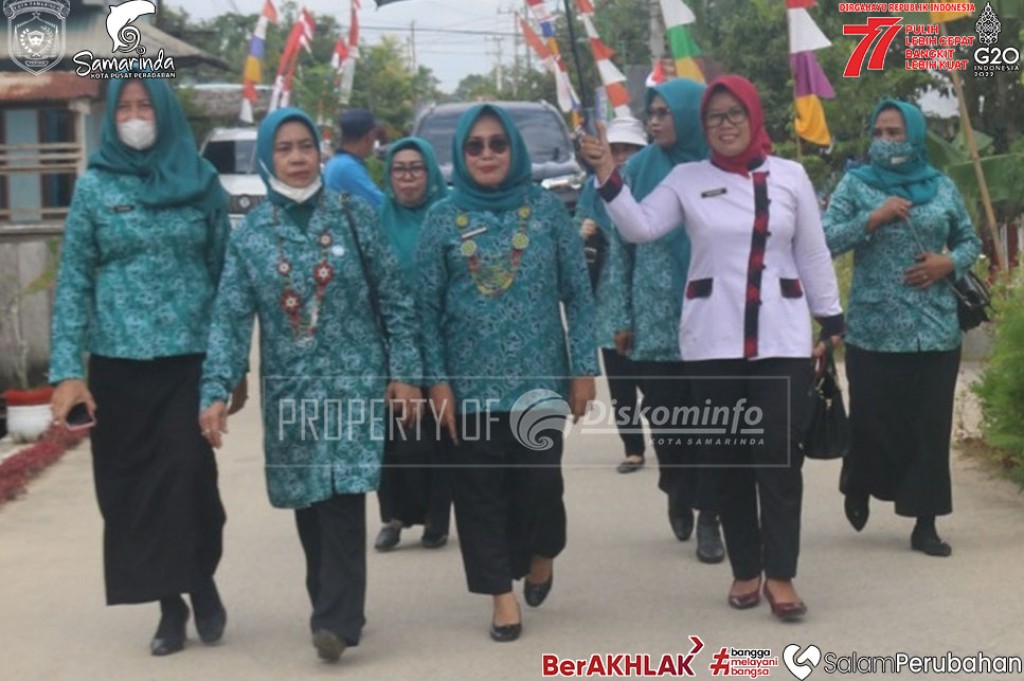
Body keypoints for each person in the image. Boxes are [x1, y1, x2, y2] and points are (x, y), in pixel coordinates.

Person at [582, 74, 844, 620]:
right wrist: (608, 173)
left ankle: (781, 575)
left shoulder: (790, 176)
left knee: (778, 463)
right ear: (703, 126)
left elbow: (814, 254)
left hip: (781, 337)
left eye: (734, 115)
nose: (725, 126)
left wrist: (831, 320)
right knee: (725, 462)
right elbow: (639, 227)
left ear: (753, 116)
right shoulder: (686, 178)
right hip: (711, 341)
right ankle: (745, 568)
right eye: (714, 117)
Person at [198, 108, 422, 662]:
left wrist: (406, 374)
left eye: (305, 146)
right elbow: (229, 318)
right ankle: (335, 603)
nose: (298, 158)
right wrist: (216, 388)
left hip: (353, 383)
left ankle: (334, 619)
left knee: (344, 495)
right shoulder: (250, 234)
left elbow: (393, 297)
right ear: (268, 158)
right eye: (285, 149)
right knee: (309, 502)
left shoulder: (351, 215)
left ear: (320, 152)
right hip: (292, 393)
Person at [48, 77, 238, 656]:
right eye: (124, 107)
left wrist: (229, 370)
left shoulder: (202, 184)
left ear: (165, 115)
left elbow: (225, 279)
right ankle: (170, 605)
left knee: (190, 479)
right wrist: (66, 370)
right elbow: (75, 279)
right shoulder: (95, 188)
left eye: (144, 107)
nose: (134, 116)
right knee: (134, 493)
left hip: (188, 359)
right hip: (118, 365)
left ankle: (200, 576)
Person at [417, 104, 597, 642]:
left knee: (540, 486)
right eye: (476, 146)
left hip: (540, 381)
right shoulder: (442, 219)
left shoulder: (544, 212)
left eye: (497, 144)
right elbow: (424, 308)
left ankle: (542, 553)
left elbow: (579, 297)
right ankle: (500, 596)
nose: (488, 154)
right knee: (478, 495)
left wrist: (583, 368)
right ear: (460, 155)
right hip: (468, 387)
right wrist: (437, 381)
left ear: (513, 149)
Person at [823, 99, 980, 557]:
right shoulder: (855, 184)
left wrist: (947, 261)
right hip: (873, 330)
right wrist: (873, 218)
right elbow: (825, 239)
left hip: (935, 331)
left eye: (896, 132)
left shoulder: (943, 187)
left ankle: (924, 522)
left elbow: (968, 239)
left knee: (928, 428)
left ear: (914, 135)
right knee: (874, 423)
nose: (887, 141)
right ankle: (858, 484)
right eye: (880, 132)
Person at [604, 81, 726, 563]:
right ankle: (676, 485)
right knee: (670, 425)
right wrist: (620, 314)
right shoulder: (636, 170)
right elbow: (619, 247)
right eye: (649, 113)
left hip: (711, 318)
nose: (653, 122)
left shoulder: (719, 168)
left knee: (714, 427)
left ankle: (711, 518)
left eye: (662, 113)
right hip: (654, 321)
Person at [373, 137, 452, 552]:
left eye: (415, 169)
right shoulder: (376, 220)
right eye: (399, 169)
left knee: (437, 434)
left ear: (430, 174)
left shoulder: (446, 216)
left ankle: (437, 518)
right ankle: (394, 516)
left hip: (441, 338)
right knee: (393, 434)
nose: (406, 178)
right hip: (388, 341)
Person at [576, 116, 649, 476]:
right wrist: (584, 231)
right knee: (620, 382)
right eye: (614, 149)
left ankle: (671, 438)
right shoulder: (592, 189)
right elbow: (576, 236)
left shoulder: (653, 184)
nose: (621, 156)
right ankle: (632, 447)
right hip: (605, 298)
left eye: (628, 149)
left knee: (655, 379)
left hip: (648, 298)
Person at [323, 108, 385, 208]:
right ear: (370, 136)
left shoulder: (337, 162)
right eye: (375, 135)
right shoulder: (346, 167)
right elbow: (381, 205)